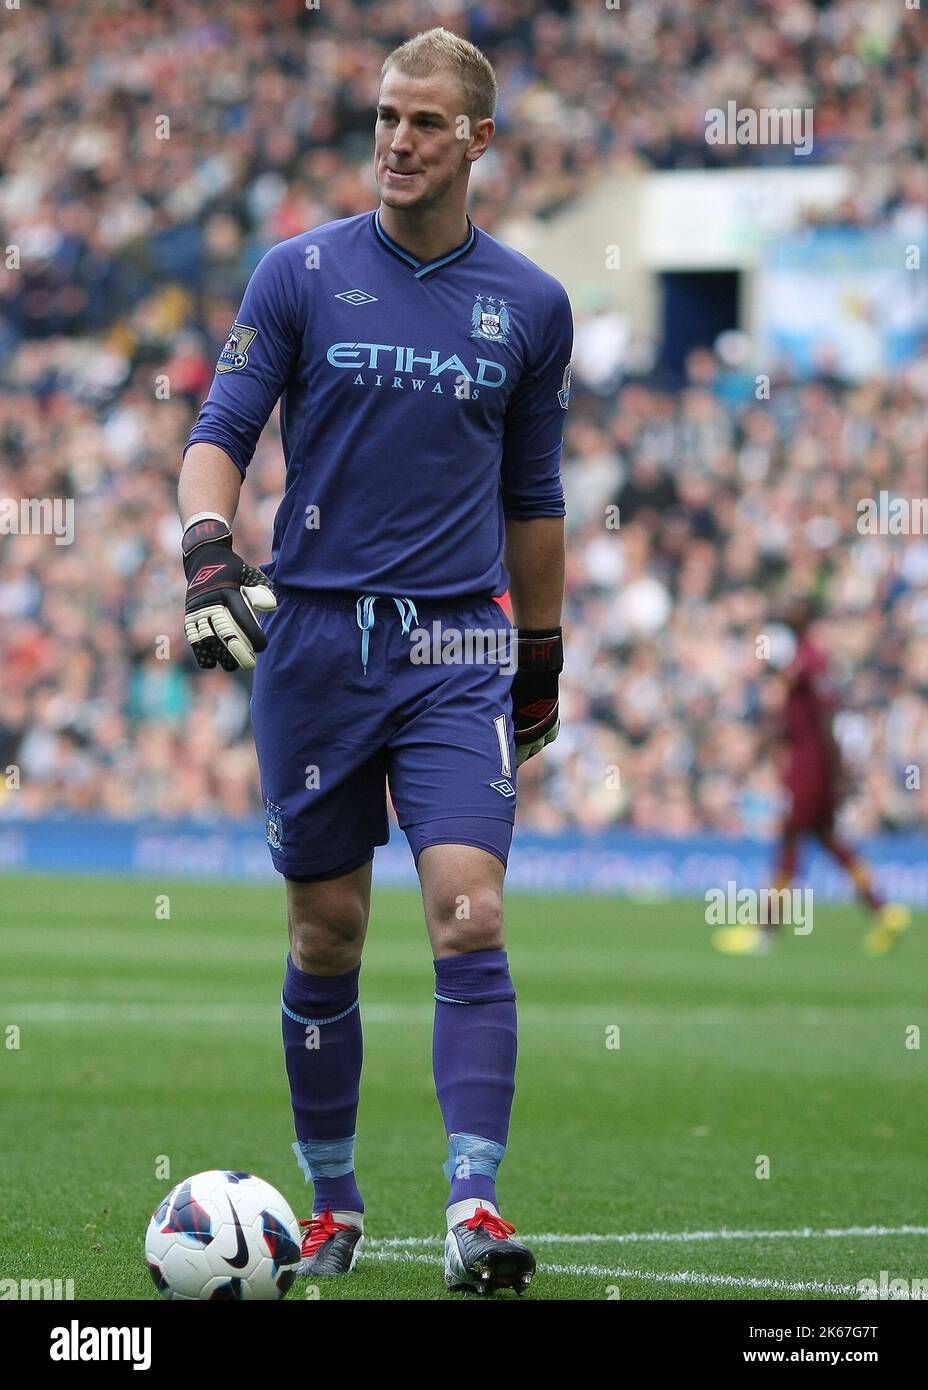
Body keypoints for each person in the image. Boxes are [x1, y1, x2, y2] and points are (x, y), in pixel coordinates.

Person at [177, 28, 572, 1296]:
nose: (397, 140)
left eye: (424, 122)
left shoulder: (532, 304)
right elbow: (220, 429)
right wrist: (203, 552)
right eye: (386, 117)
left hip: (458, 642)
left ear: (478, 141)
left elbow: (536, 493)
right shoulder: (298, 273)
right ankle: (335, 1204)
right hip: (314, 644)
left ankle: (475, 1208)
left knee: (470, 908)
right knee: (327, 932)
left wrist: (543, 653)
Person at [714, 599, 910, 957]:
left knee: (789, 841)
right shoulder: (811, 660)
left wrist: (830, 769)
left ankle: (766, 932)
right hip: (818, 767)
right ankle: (882, 911)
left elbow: (815, 719)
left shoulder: (804, 662)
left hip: (809, 768)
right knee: (829, 840)